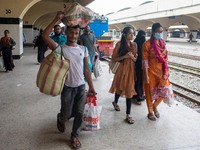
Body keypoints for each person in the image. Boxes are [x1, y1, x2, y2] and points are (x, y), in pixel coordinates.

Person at [42, 11, 96, 149]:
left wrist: (91, 86)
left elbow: (86, 70)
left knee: (79, 112)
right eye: (71, 33)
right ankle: (61, 117)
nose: (74, 36)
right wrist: (56, 18)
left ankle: (74, 136)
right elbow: (45, 36)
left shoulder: (83, 49)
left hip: (80, 86)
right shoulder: (60, 49)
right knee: (66, 113)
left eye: (76, 34)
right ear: (66, 33)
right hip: (67, 86)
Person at [109, 26, 138, 124]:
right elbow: (113, 59)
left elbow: (135, 58)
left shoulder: (134, 45)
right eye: (130, 33)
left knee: (129, 90)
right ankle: (115, 102)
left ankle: (128, 115)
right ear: (125, 34)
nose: (132, 35)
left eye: (133, 33)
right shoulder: (119, 44)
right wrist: (125, 56)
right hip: (121, 69)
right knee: (119, 87)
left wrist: (134, 58)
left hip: (130, 69)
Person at [142, 23, 170, 121]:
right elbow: (144, 61)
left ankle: (154, 106)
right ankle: (150, 111)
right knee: (149, 93)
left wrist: (166, 71)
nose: (159, 34)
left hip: (162, 72)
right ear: (153, 32)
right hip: (150, 72)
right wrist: (145, 75)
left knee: (164, 91)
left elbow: (165, 59)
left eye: (161, 32)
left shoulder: (162, 43)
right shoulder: (147, 44)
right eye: (158, 32)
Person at [133, 30, 146, 105]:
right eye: (143, 36)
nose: (143, 37)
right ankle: (139, 97)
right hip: (140, 64)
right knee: (139, 81)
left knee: (136, 80)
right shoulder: (142, 43)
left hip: (135, 64)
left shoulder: (135, 41)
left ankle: (134, 95)